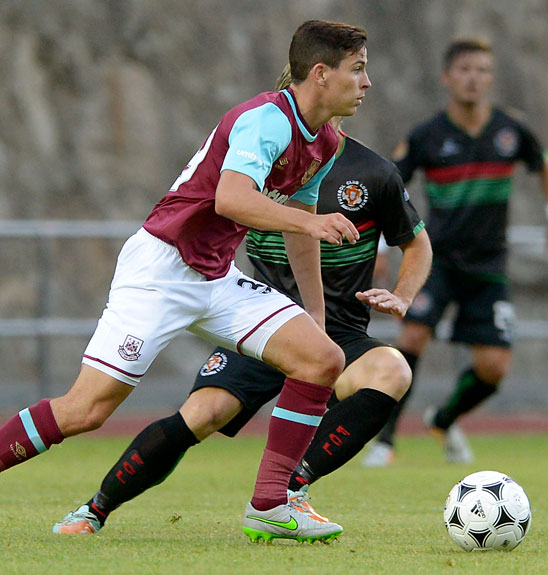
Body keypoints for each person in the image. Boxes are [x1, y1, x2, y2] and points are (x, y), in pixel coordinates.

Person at [0, 20, 371, 544]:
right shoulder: (265, 120)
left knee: (321, 358)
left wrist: (314, 312)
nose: (366, 82)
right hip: (160, 269)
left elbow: (302, 230)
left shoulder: (327, 143)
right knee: (86, 410)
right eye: (357, 69)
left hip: (216, 275)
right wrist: (308, 221)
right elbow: (232, 199)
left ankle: (269, 504)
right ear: (320, 73)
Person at [51, 64, 432, 542]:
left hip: (338, 330)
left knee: (392, 371)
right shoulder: (257, 161)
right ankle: (95, 509)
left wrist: (402, 295)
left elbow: (417, 244)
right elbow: (219, 207)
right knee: (200, 416)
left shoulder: (373, 172)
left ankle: (287, 490)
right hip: (255, 320)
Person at [362, 37, 548, 467]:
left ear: (490, 78)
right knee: (412, 337)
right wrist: (384, 245)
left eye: (481, 70)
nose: (472, 78)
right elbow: (389, 185)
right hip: (436, 262)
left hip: (488, 265)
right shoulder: (427, 135)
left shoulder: (509, 129)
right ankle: (384, 442)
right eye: (463, 69)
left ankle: (442, 419)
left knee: (494, 368)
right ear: (447, 78)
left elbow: (546, 162)